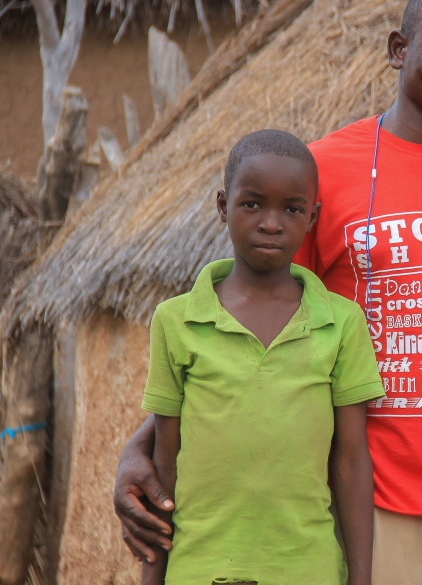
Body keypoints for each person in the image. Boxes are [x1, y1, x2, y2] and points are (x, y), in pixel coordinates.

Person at [114, 0, 422, 585]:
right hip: (373, 494)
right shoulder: (321, 174)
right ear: (399, 49)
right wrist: (140, 445)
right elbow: (253, 318)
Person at [140, 130, 384, 585]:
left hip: (307, 569)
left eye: (292, 209)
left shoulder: (341, 322)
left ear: (312, 218)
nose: (272, 223)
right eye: (252, 204)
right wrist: (152, 579)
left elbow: (351, 460)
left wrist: (361, 578)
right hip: (200, 569)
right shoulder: (176, 321)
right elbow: (165, 463)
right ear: (222, 206)